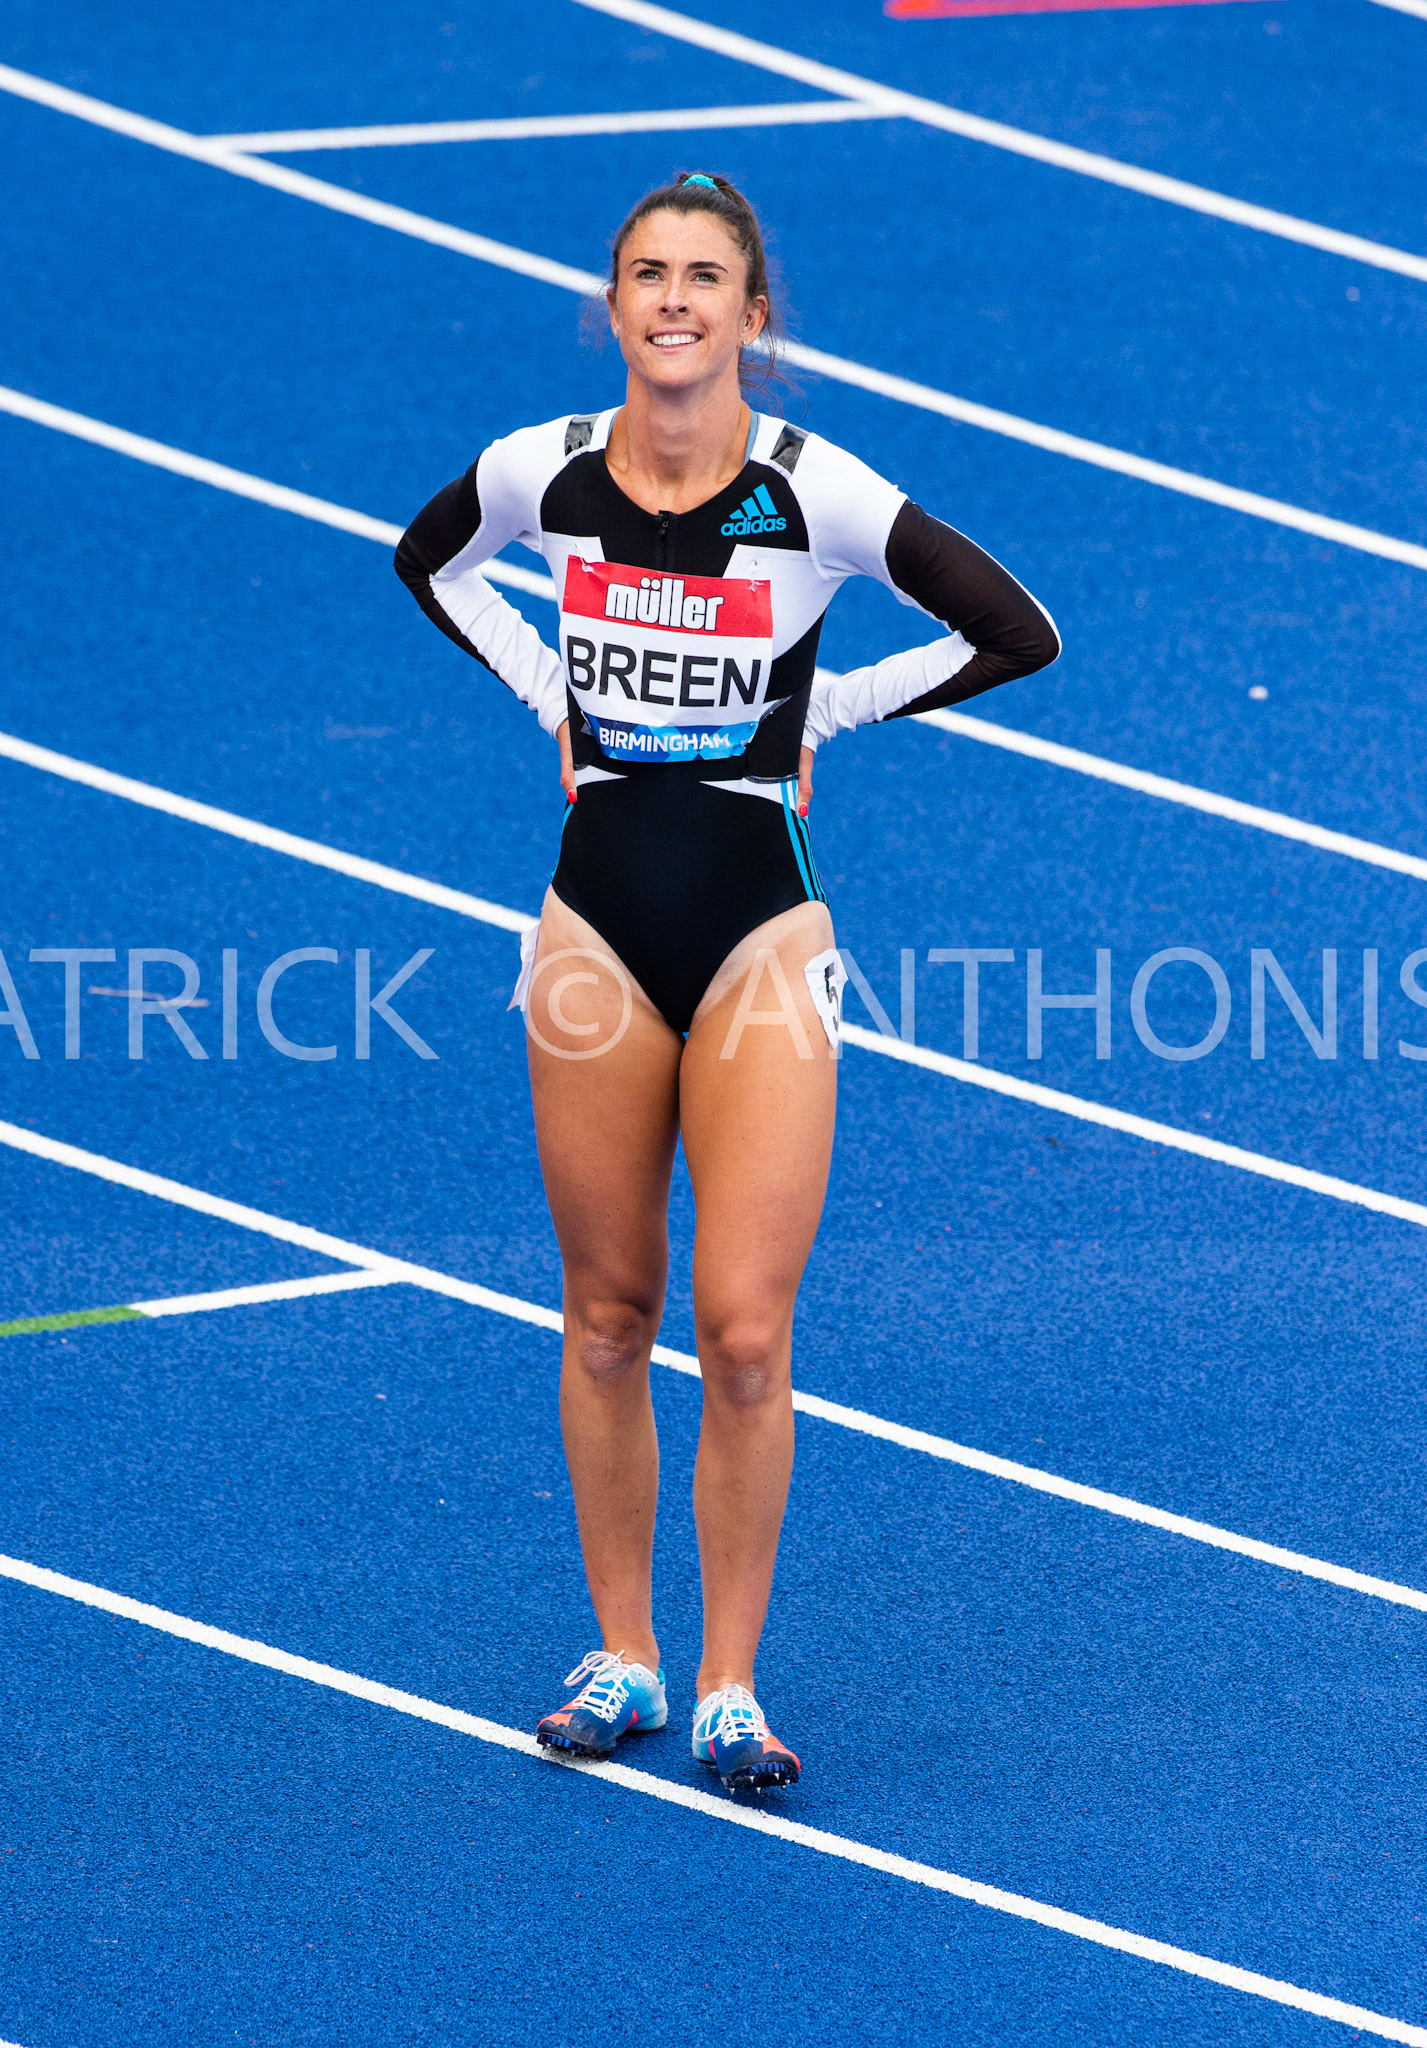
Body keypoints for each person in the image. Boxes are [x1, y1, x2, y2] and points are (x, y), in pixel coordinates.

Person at [396, 170, 1059, 1793]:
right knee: (610, 1312)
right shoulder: (537, 473)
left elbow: (1012, 629)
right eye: (647, 276)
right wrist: (549, 684)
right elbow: (431, 564)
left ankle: (729, 1684)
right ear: (610, 308)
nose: (675, 300)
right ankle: (619, 1654)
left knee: (744, 1331)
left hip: (763, 928)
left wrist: (831, 717)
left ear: (754, 316)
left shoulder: (811, 489)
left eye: (707, 277)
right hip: (591, 936)